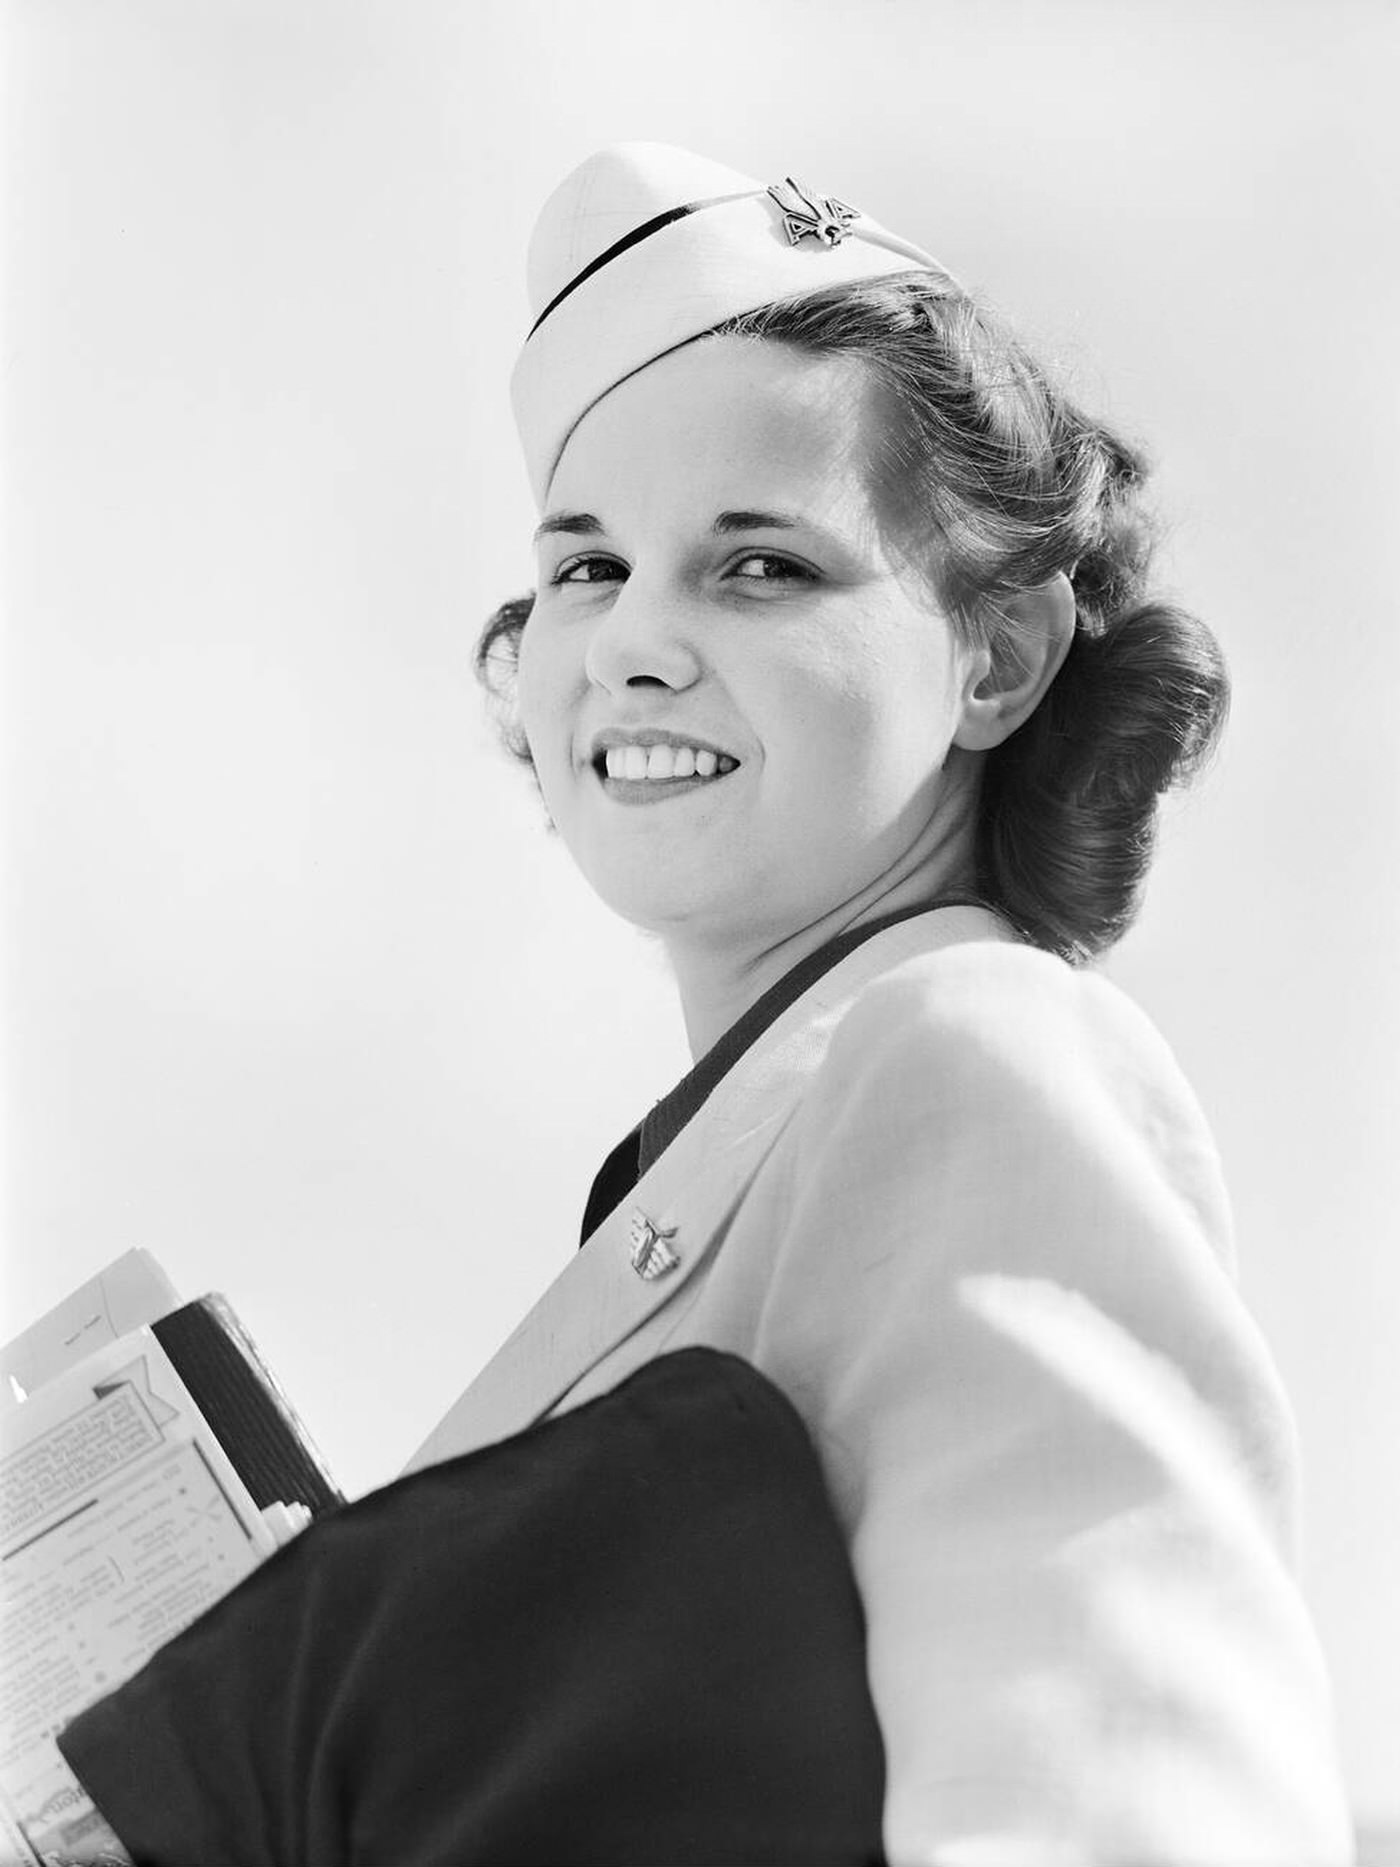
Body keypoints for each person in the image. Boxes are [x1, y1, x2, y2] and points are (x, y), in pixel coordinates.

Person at [55, 142, 1354, 1866]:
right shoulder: (750, 1157)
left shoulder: (973, 1051)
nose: (633, 642)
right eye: (586, 566)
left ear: (1000, 657)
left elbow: (1126, 1803)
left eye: (758, 567)